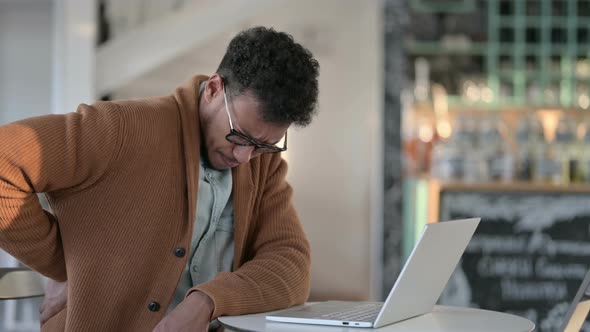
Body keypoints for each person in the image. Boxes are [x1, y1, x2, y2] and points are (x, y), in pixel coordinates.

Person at [0, 26, 319, 331]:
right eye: (240, 136)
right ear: (212, 89)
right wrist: (68, 265)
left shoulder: (265, 166)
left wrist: (208, 302)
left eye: (264, 145)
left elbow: (289, 263)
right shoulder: (124, 128)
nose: (244, 158)